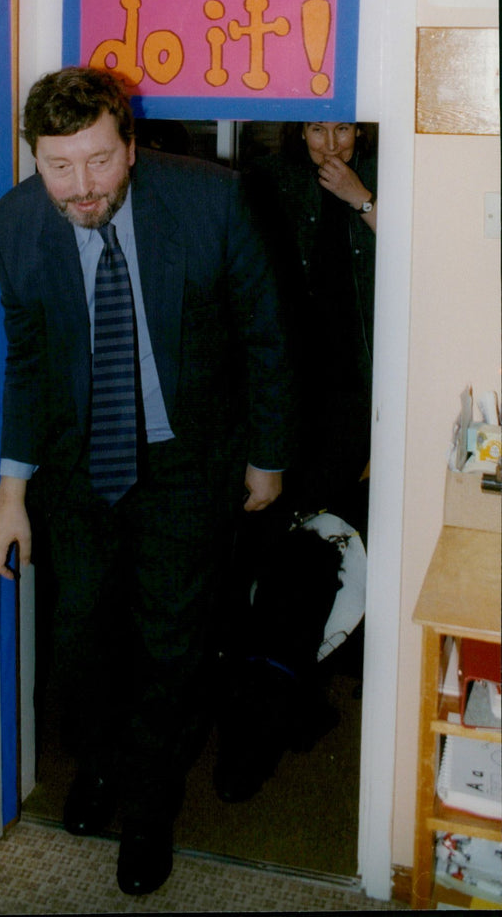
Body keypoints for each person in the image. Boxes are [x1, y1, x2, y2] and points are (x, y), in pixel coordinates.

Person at [0, 67, 293, 896]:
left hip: (188, 461)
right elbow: (31, 365)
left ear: (132, 145)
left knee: (170, 647)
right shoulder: (13, 227)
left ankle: (150, 807)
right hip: (82, 467)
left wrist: (268, 456)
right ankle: (107, 764)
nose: (82, 188)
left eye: (101, 161)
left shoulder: (209, 203)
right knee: (80, 641)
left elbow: (266, 336)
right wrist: (11, 498)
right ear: (34, 160)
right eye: (60, 167)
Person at [213, 121, 377, 804]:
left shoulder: (384, 179)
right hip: (282, 395)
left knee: (319, 556)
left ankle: (279, 706)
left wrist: (362, 199)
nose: (329, 144)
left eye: (343, 128)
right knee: (266, 553)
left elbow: (431, 262)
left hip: (352, 397)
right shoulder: (267, 184)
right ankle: (254, 714)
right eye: (315, 129)